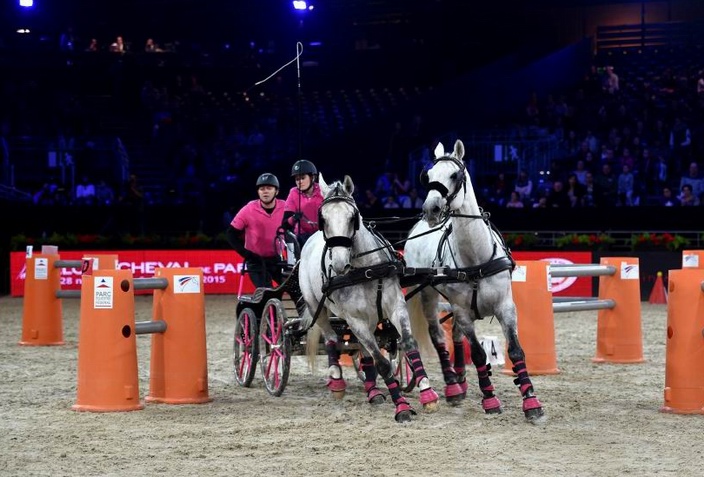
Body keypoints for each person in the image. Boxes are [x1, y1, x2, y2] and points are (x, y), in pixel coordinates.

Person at [227, 173, 286, 289]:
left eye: (269, 188)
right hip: (256, 261)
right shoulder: (248, 209)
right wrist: (247, 254)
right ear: (258, 192)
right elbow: (230, 233)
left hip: (277, 260)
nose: (265, 191)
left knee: (297, 289)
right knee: (267, 293)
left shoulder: (285, 206)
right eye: (261, 189)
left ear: (276, 191)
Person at [281, 159, 323, 247]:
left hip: (322, 234)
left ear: (312, 177)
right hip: (303, 237)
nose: (299, 182)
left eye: (303, 178)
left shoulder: (323, 190)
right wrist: (293, 218)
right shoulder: (293, 193)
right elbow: (285, 224)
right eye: (297, 179)